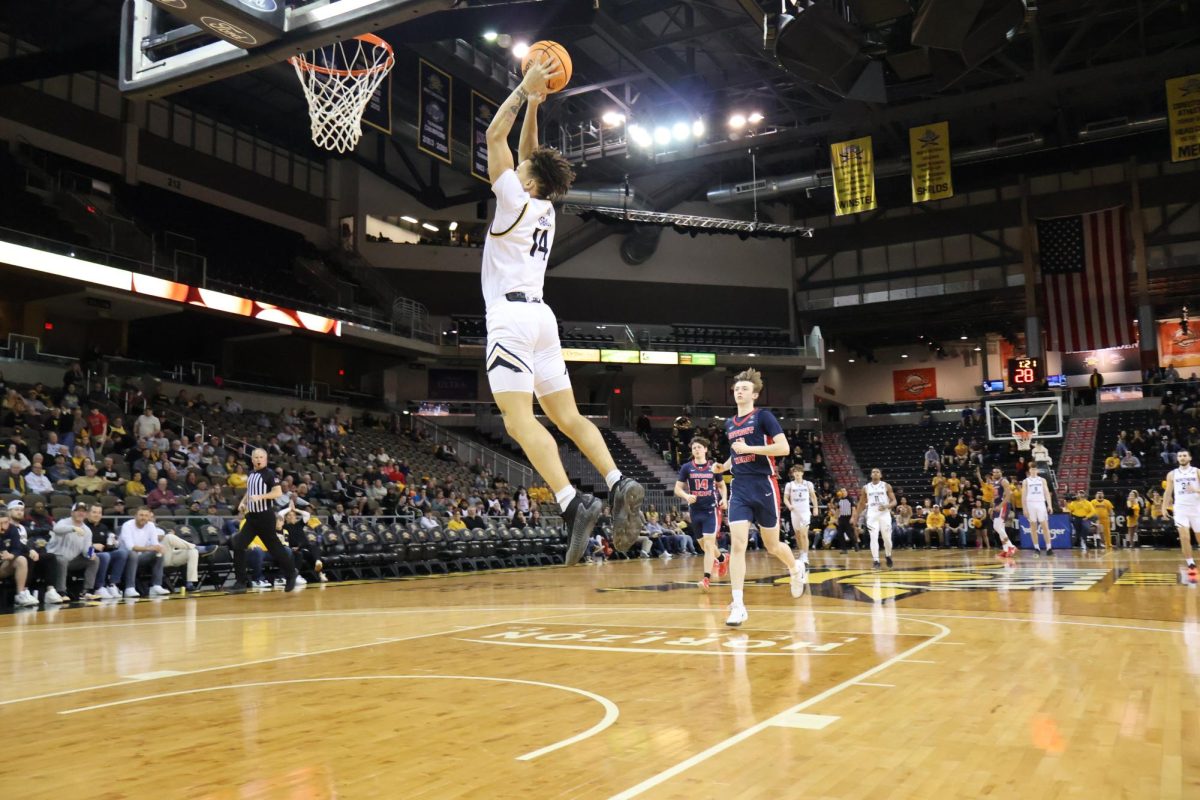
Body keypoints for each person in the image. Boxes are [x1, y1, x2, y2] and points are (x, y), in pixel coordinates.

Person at [481, 56, 643, 565]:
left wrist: (520, 89)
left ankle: (573, 502)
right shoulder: (546, 205)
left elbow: (493, 138)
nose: (519, 165)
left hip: (510, 318)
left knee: (516, 420)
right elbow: (530, 153)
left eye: (522, 170)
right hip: (543, 320)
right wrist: (534, 104)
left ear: (525, 182)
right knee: (568, 416)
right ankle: (617, 481)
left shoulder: (513, 200)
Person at [712, 368, 803, 627]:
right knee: (737, 545)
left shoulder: (764, 417)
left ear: (754, 394)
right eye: (736, 388)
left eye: (744, 389)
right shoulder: (729, 424)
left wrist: (751, 448)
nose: (739, 391)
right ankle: (738, 605)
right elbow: (737, 453)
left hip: (764, 485)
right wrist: (724, 467)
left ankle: (795, 569)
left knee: (772, 546)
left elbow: (783, 448)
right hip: (739, 486)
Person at [230, 448, 297, 592]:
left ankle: (291, 573)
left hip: (265, 517)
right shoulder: (251, 474)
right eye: (256, 457)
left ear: (265, 459)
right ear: (252, 459)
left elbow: (277, 492)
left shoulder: (270, 474)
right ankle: (241, 583)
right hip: (252, 518)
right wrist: (243, 502)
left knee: (275, 549)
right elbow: (250, 491)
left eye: (261, 457)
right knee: (238, 545)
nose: (258, 459)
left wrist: (261, 497)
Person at [674, 436, 728, 591]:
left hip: (711, 510)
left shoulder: (713, 466)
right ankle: (723, 558)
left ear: (705, 449)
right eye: (694, 448)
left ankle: (706, 579)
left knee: (710, 545)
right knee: (704, 546)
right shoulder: (686, 467)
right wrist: (686, 496)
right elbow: (677, 488)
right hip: (695, 511)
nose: (696, 450)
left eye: (699, 447)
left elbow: (722, 486)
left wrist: (724, 499)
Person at [46, 502, 101, 603]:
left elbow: (87, 548)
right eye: (78, 511)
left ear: (86, 514)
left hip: (72, 560)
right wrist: (73, 528)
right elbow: (56, 529)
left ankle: (87, 591)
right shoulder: (64, 522)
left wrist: (91, 554)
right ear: (72, 512)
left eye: (83, 511)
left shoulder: (87, 530)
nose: (81, 513)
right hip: (55, 556)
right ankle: (61, 592)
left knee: (95, 560)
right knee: (62, 560)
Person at [1161, 449, 1198, 578]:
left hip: (1196, 508)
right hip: (1180, 509)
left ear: (1190, 458)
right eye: (1180, 456)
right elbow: (1168, 492)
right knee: (1184, 537)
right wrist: (1164, 507)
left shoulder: (1197, 472)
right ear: (1177, 459)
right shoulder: (1172, 474)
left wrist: (1196, 489)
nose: (1182, 458)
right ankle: (1191, 564)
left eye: (1184, 455)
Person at [851, 468, 897, 567]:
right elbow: (861, 503)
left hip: (884, 514)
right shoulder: (866, 488)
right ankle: (876, 561)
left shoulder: (886, 486)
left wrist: (887, 506)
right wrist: (856, 517)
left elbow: (894, 501)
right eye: (873, 472)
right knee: (873, 537)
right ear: (871, 475)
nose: (875, 473)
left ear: (880, 475)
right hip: (872, 514)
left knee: (887, 538)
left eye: (877, 472)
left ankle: (888, 555)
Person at [782, 464, 817, 590]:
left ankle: (805, 556)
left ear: (802, 473)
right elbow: (785, 498)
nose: (797, 473)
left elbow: (813, 496)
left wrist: (816, 508)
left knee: (803, 533)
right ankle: (801, 552)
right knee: (797, 534)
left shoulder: (808, 484)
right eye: (795, 472)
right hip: (794, 512)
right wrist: (789, 505)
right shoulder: (789, 485)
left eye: (798, 471)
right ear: (793, 474)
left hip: (805, 511)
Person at [86, 503, 127, 598]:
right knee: (105, 555)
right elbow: (81, 545)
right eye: (94, 512)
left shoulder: (103, 527)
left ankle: (112, 584)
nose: (97, 515)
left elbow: (106, 547)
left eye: (99, 513)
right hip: (88, 552)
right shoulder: (84, 526)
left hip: (102, 553)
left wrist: (111, 544)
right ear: (88, 514)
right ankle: (99, 587)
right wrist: (93, 546)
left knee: (121, 553)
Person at [0, 509, 37, 607]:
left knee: (21, 559)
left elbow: (17, 548)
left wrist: (10, 556)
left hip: (3, 566)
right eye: (0, 523)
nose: (3, 526)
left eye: (6, 522)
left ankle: (20, 594)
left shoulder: (12, 529)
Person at [981, 466, 1019, 557]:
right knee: (1000, 528)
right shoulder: (994, 482)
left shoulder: (1004, 481)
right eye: (994, 472)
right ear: (992, 474)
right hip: (997, 506)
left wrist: (1001, 505)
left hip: (1004, 505)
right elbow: (994, 497)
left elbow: (1008, 495)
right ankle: (1006, 549)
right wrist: (992, 508)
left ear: (1001, 472)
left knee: (997, 526)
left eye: (998, 472)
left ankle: (1011, 546)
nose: (996, 473)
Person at [1021, 463, 1055, 556]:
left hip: (1041, 503)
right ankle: (1036, 548)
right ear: (1029, 470)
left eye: (1035, 469)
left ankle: (1049, 548)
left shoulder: (1042, 480)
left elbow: (1047, 493)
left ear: (1037, 470)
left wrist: (1050, 505)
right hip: (1030, 504)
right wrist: (1024, 508)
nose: (1033, 471)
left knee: (1045, 526)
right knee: (1033, 527)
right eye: (1032, 469)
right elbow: (1023, 496)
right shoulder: (1026, 481)